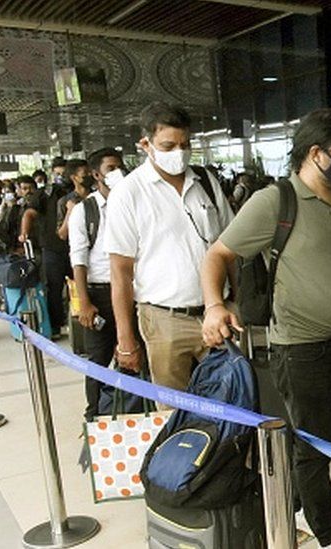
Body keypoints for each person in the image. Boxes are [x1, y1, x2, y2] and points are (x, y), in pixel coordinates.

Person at [200, 108, 331, 549]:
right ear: (316, 154)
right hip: (300, 349)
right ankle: (330, 537)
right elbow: (217, 254)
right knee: (311, 450)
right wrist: (214, 305)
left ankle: (293, 507)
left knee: (325, 440)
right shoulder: (275, 201)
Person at [105, 102, 234, 394]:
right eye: (168, 145)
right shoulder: (129, 193)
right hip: (165, 320)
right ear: (145, 144)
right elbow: (121, 272)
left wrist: (236, 302)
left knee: (230, 404)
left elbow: (229, 246)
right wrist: (125, 338)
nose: (179, 153)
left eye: (185, 144)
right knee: (175, 409)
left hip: (216, 312)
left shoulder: (206, 182)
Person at [68, 147, 126, 421]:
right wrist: (85, 303)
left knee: (134, 354)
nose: (118, 173)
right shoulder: (85, 210)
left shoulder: (130, 202)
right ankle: (94, 417)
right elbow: (78, 258)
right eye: (111, 168)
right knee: (99, 359)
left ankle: (134, 412)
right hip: (100, 292)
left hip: (131, 291)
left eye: (120, 167)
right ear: (95, 174)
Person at [36, 158, 73, 339]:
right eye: (57, 174)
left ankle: (79, 322)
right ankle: (56, 325)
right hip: (52, 247)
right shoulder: (45, 194)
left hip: (76, 248)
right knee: (54, 287)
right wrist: (24, 232)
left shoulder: (77, 193)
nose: (60, 177)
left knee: (81, 286)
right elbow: (30, 212)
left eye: (63, 174)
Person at [56, 158, 92, 241]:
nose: (89, 175)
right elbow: (62, 235)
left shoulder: (98, 196)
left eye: (90, 172)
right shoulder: (65, 201)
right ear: (74, 177)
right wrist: (70, 212)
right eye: (85, 173)